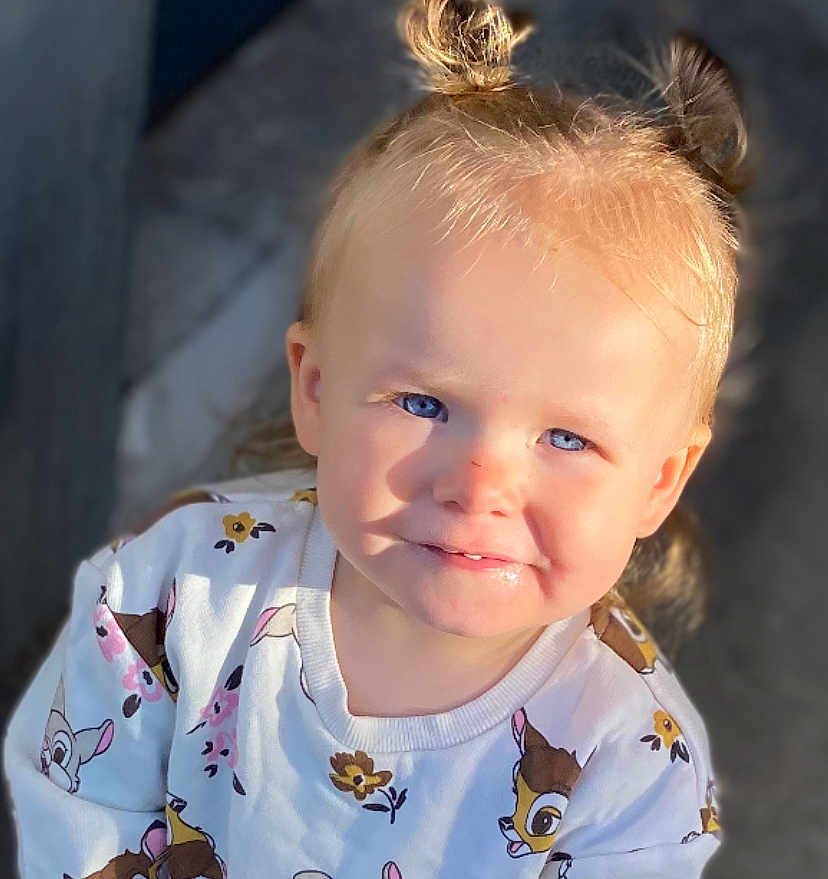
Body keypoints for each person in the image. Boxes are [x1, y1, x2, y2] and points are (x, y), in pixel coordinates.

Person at [3, 1, 748, 876]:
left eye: (566, 438)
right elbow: (81, 802)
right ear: (316, 389)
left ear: (661, 479)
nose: (480, 485)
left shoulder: (631, 772)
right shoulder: (175, 595)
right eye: (425, 404)